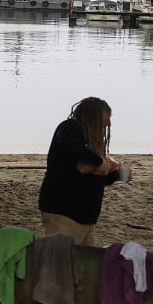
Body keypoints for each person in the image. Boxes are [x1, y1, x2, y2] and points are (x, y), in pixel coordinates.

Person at [38, 97, 121, 245]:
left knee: (86, 265)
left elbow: (94, 177)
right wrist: (100, 162)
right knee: (61, 263)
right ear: (91, 118)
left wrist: (117, 175)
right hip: (63, 213)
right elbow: (71, 146)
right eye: (102, 124)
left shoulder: (92, 143)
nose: (105, 127)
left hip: (86, 220)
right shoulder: (69, 128)